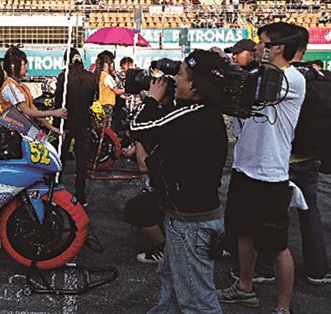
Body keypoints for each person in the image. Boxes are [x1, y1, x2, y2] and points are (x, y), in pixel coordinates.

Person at [130, 50, 230, 314]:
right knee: (173, 282)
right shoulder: (203, 112)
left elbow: (138, 127)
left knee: (197, 302)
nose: (174, 79)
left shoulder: (191, 115)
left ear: (195, 86)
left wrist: (151, 99)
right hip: (189, 218)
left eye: (181, 73)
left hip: (190, 224)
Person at [218, 22, 306, 314]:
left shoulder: (292, 79)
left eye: (262, 42)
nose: (256, 47)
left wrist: (225, 68)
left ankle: (283, 307)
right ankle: (245, 288)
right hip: (244, 166)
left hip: (271, 173)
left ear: (277, 47)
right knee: (243, 233)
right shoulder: (258, 73)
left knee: (277, 245)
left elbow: (253, 87)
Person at [53, 48, 98, 206]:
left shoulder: (63, 77)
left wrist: (56, 126)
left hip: (66, 123)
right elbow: (92, 101)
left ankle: (55, 191)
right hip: (84, 122)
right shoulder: (92, 77)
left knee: (60, 159)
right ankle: (81, 195)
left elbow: (58, 103)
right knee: (81, 162)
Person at [0, 46, 66, 136]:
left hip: (23, 132)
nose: (26, 68)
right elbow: (28, 112)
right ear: (13, 67)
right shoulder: (10, 86)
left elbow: (33, 110)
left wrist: (51, 128)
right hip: (13, 134)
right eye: (24, 65)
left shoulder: (21, 86)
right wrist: (54, 113)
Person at [95, 52, 124, 127]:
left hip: (99, 105)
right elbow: (116, 91)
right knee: (107, 128)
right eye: (111, 62)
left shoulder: (99, 75)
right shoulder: (107, 77)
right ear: (106, 64)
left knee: (101, 127)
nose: (112, 64)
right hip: (107, 105)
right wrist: (127, 90)